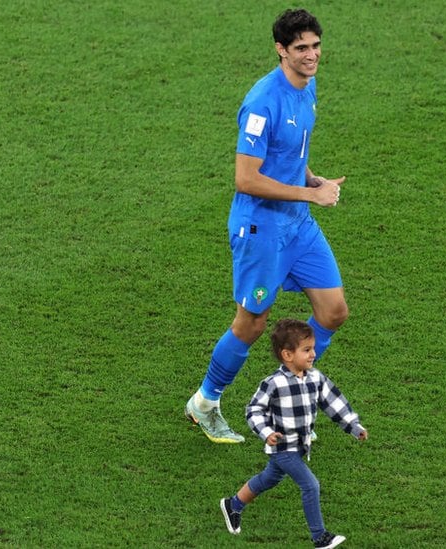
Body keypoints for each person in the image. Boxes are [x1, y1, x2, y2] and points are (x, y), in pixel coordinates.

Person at [185, 8, 348, 443]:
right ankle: (204, 404)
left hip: (297, 224)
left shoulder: (307, 85)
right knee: (252, 323)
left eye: (315, 46)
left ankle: (294, 387)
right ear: (281, 50)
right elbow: (246, 177)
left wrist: (309, 178)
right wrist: (310, 194)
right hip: (261, 230)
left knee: (333, 311)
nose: (311, 55)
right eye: (301, 49)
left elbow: (291, 149)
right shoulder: (262, 102)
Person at [219, 319, 367, 549]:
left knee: (269, 478)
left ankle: (233, 504)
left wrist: (353, 426)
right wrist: (266, 432)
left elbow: (334, 403)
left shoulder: (315, 378)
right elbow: (254, 410)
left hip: (299, 447)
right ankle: (320, 537)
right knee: (310, 485)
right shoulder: (274, 383)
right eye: (307, 350)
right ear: (287, 355)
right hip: (282, 447)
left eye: (313, 349)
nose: (313, 354)